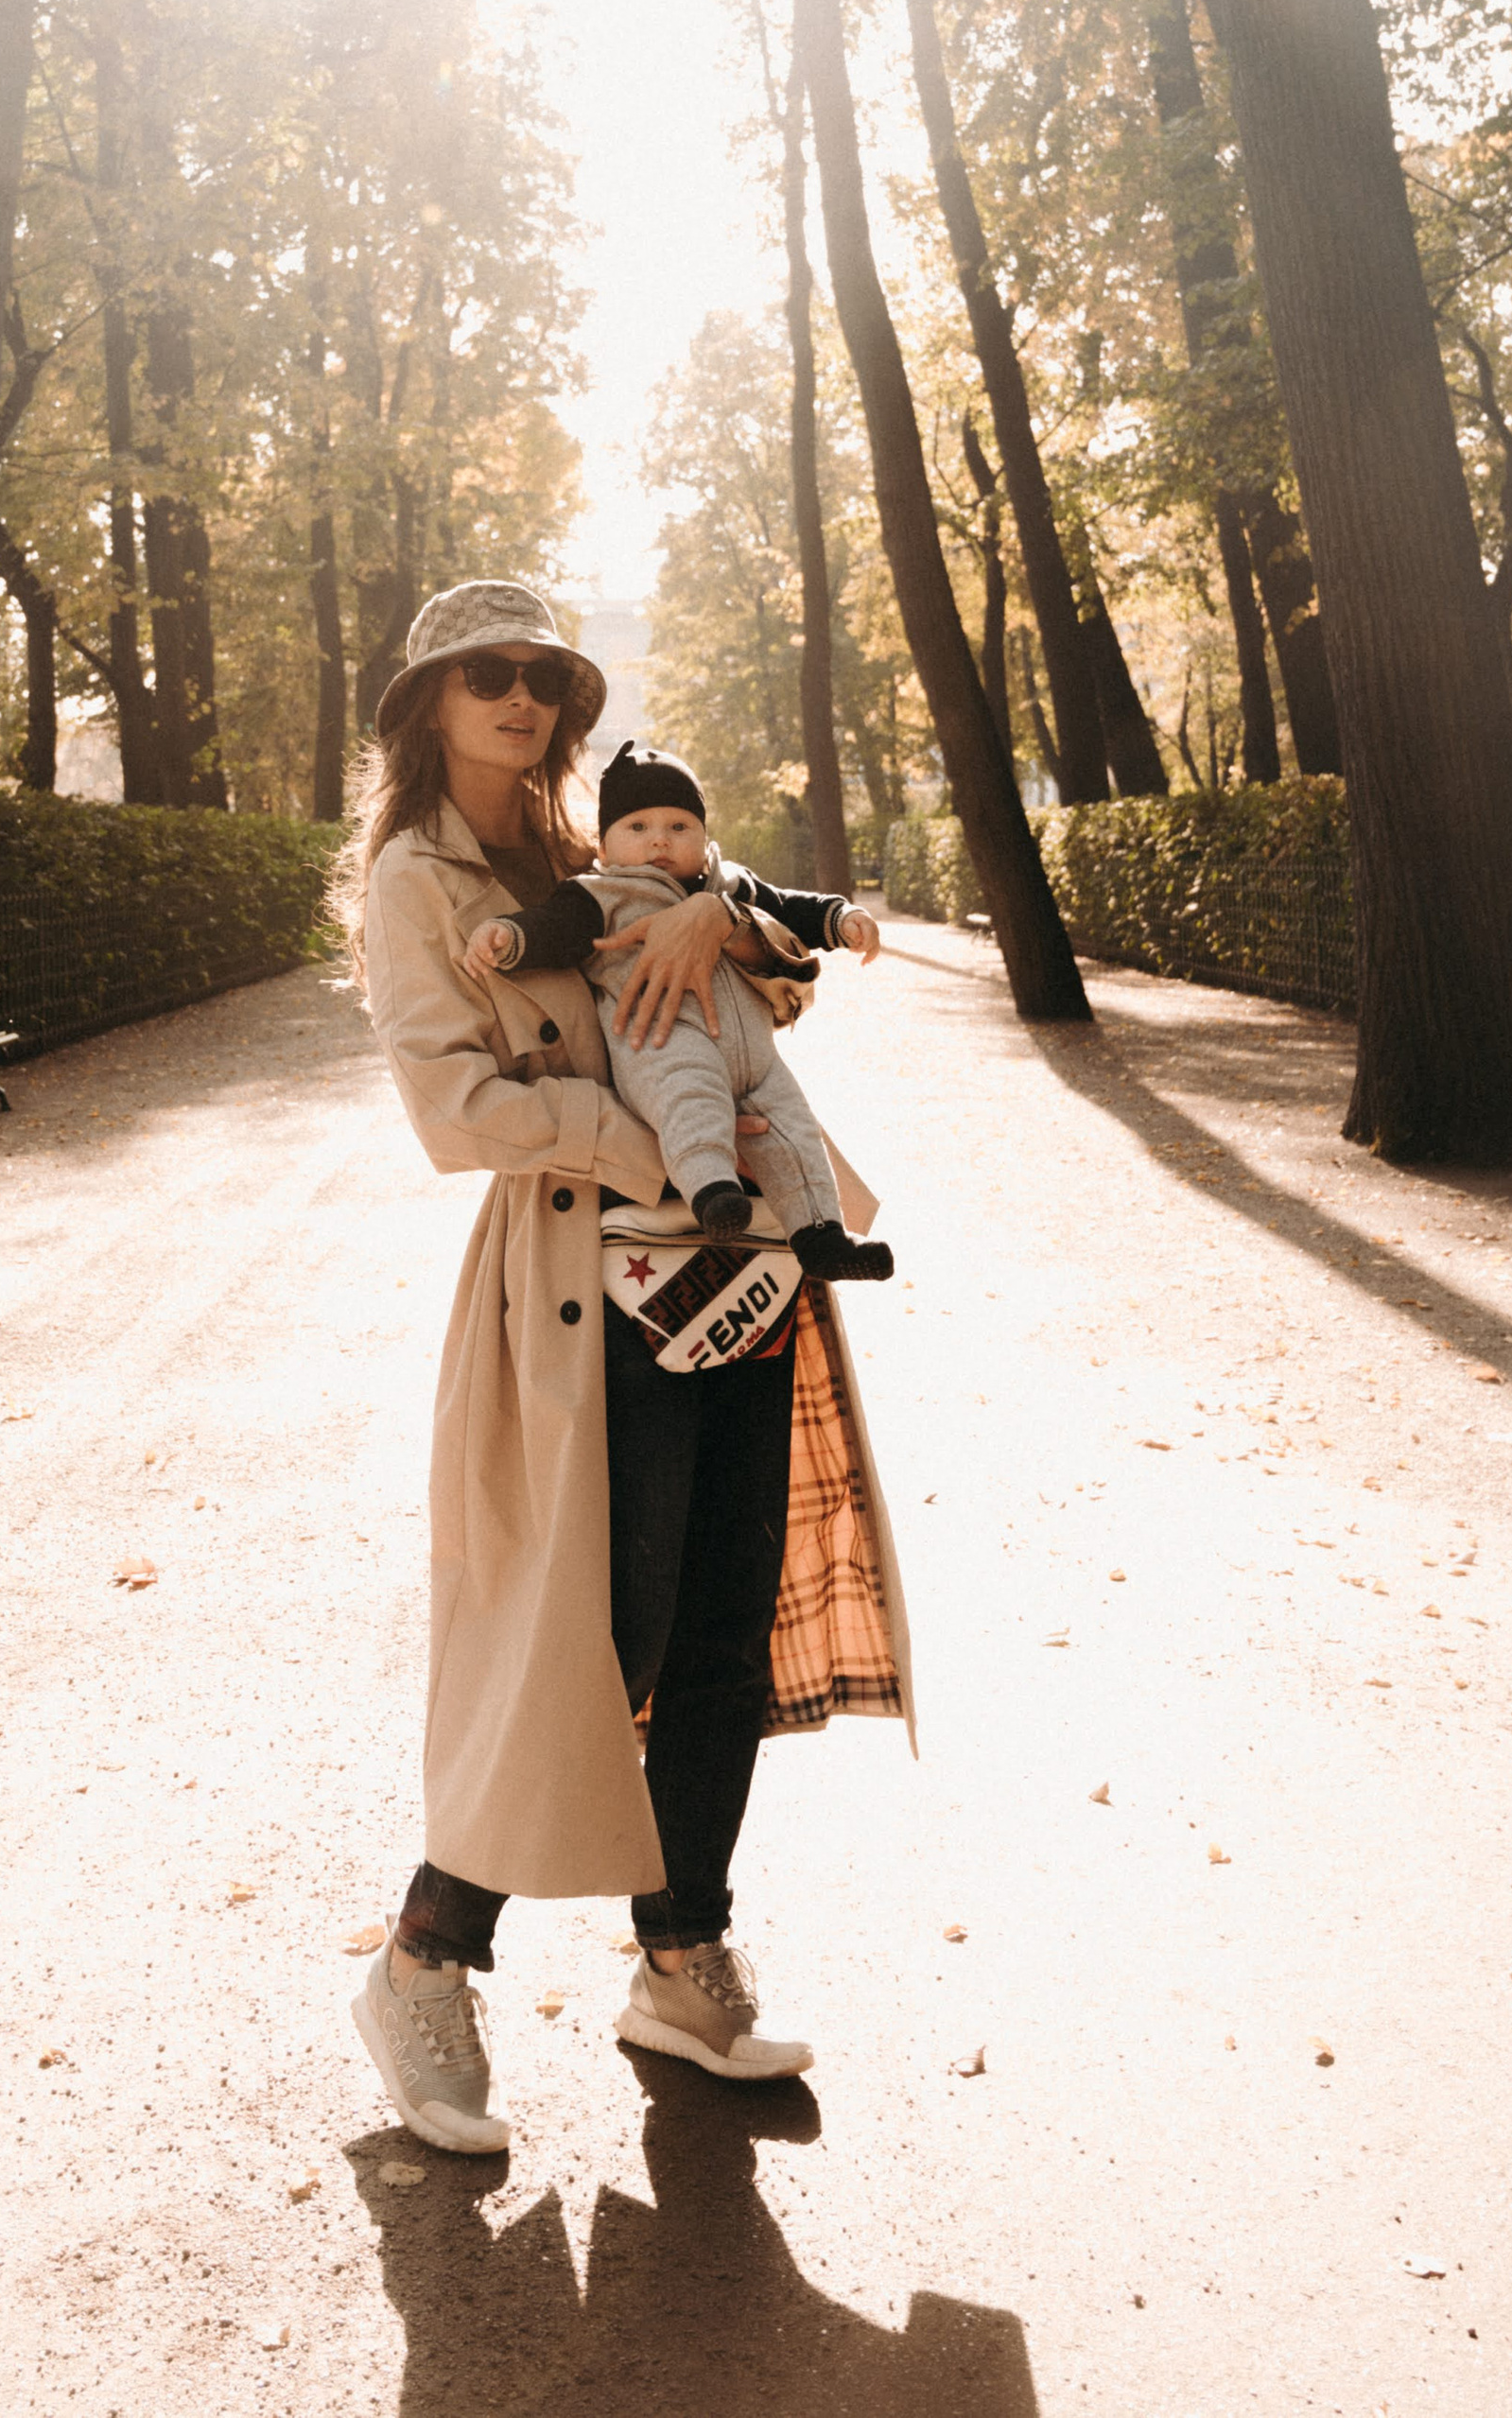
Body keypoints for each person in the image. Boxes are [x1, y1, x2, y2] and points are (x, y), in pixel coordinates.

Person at [339, 581, 912, 2159]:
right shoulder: (415, 878)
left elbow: (774, 991)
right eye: (485, 676)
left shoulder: (608, 847)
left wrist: (722, 917)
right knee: (582, 1634)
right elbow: (456, 1111)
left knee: (718, 1621)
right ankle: (424, 1962)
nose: (520, 698)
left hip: (737, 1278)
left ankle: (681, 1958)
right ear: (431, 703)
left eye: (542, 674)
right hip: (576, 1296)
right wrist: (640, 1147)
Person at [465, 735, 896, 1319]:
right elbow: (553, 928)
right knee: (689, 1097)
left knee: (794, 1130)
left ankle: (822, 1237)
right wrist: (510, 937)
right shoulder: (601, 894)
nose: (660, 840)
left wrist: (841, 917)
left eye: (678, 826)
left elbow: (789, 907)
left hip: (755, 1057)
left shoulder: (733, 886)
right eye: (637, 827)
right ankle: (713, 1192)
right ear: (606, 844)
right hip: (661, 1042)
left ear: (703, 836)